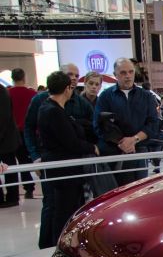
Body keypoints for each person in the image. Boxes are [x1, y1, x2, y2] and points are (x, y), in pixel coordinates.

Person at [37, 71, 98, 245]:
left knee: (63, 207)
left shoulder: (47, 107)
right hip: (64, 169)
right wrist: (91, 147)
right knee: (64, 209)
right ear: (67, 89)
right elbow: (70, 141)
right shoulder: (53, 111)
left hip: (60, 166)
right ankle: (62, 243)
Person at [93, 58, 162, 186]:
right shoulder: (105, 97)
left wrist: (134, 139)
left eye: (131, 72)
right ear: (115, 75)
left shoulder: (146, 96)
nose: (128, 76)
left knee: (139, 192)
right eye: (123, 73)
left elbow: (153, 123)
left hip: (139, 152)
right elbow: (99, 126)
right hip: (113, 154)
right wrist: (122, 142)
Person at [8, 68, 37, 199]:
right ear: (24, 77)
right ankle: (32, 185)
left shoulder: (8, 93)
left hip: (15, 133)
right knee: (33, 158)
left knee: (21, 160)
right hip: (30, 131)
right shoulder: (32, 94)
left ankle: (28, 186)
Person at [0, 84, 20, 208]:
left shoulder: (1, 92)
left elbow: (3, 117)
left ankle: (13, 197)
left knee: (10, 169)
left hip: (6, 140)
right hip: (6, 138)